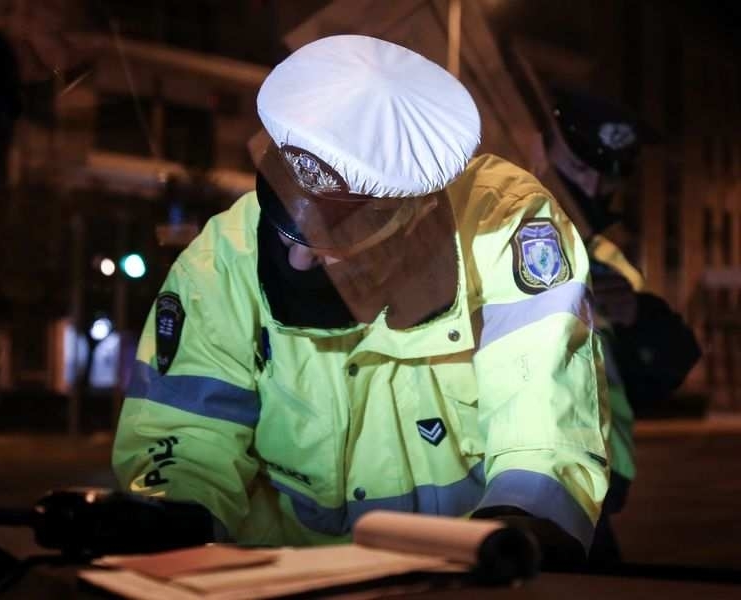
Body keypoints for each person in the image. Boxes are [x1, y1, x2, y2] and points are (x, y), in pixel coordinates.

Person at [113, 35, 611, 568]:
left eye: (335, 236)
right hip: (279, 580)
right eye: (289, 221)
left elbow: (540, 412)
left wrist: (519, 529)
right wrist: (169, 522)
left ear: (411, 216)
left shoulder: (505, 225)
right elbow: (183, 435)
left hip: (457, 574)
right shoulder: (219, 262)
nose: (299, 261)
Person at [546, 87, 701, 565]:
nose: (591, 191)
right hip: (531, 485)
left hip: (593, 489)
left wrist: (635, 318)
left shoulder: (606, 258)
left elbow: (663, 370)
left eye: (605, 179)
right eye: (578, 170)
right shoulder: (504, 240)